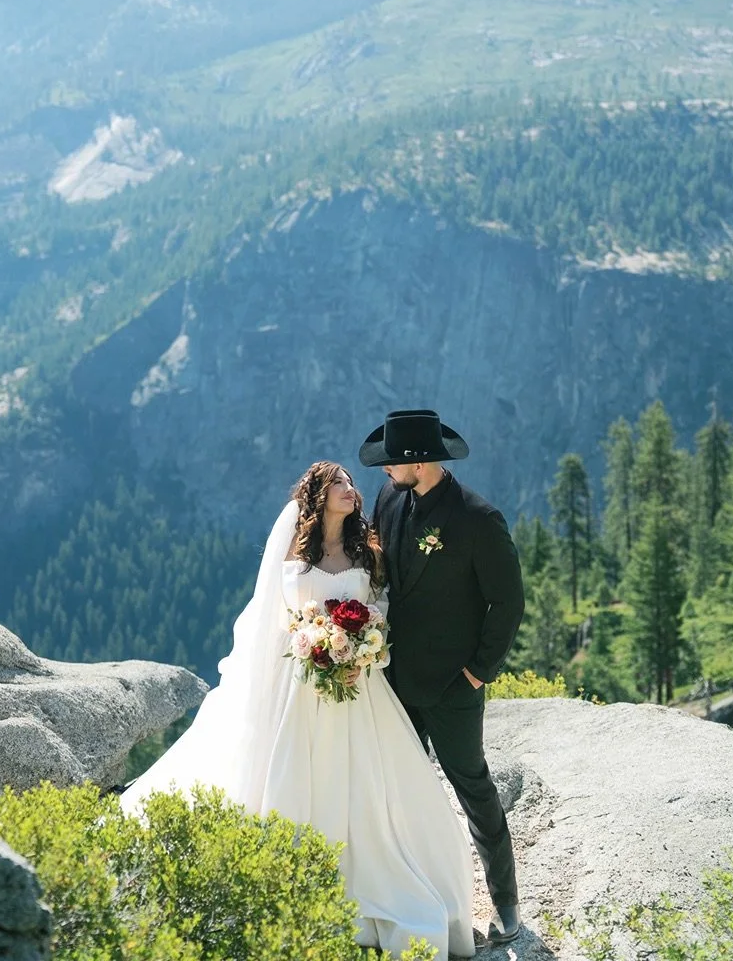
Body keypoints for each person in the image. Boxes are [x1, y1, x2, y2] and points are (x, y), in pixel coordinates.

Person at [120, 460, 475, 959]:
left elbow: (381, 610)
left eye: (352, 483)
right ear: (317, 494)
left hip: (357, 685)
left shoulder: (366, 551)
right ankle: (293, 884)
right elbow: (273, 618)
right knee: (296, 771)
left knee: (367, 783)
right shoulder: (293, 550)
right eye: (339, 484)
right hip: (299, 683)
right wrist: (312, 643)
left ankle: (375, 886)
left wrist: (365, 651)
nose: (351, 490)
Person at [361, 409, 525, 950]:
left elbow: (507, 602)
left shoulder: (478, 519)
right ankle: (416, 897)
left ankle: (506, 903)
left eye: (392, 462)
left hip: (454, 686)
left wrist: (477, 674)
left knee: (473, 788)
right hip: (394, 681)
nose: (384, 471)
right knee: (399, 791)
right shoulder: (389, 500)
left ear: (419, 462)